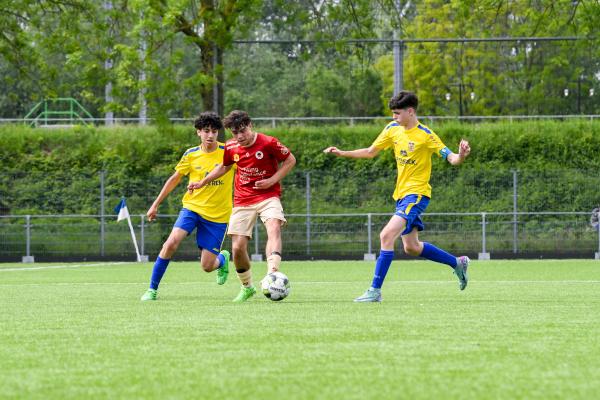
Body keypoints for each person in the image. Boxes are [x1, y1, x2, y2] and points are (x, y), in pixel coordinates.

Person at [324, 90, 471, 302]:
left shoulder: (426, 135)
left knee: (386, 236)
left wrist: (462, 155)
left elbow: (452, 159)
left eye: (397, 113)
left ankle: (374, 291)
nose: (394, 117)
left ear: (410, 112)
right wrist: (342, 152)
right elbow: (370, 151)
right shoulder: (392, 129)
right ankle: (457, 263)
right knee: (412, 247)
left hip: (417, 195)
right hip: (401, 196)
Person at [188, 110, 296, 303]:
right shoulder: (231, 147)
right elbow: (224, 167)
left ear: (250, 125)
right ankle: (247, 287)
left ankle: (273, 273)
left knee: (273, 226)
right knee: (237, 248)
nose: (239, 136)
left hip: (268, 196)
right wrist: (202, 182)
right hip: (242, 200)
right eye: (234, 133)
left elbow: (290, 160)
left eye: (242, 131)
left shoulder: (269, 142)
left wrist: (272, 180)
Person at [140, 112, 235, 301]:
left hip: (218, 216)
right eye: (206, 131)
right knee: (171, 243)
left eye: (214, 131)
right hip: (192, 208)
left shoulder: (229, 153)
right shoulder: (191, 155)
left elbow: (248, 170)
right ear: (198, 132)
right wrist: (155, 204)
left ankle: (222, 259)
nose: (210, 135)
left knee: (207, 266)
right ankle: (152, 289)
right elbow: (174, 179)